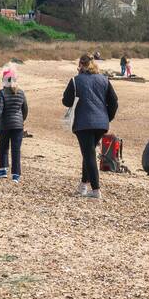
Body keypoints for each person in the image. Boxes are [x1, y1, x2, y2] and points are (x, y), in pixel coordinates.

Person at [62, 54, 118, 199]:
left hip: (83, 123)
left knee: (89, 155)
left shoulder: (75, 80)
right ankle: (83, 186)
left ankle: (96, 189)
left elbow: (66, 101)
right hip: (101, 123)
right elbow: (114, 101)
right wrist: (107, 117)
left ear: (80, 64)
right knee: (89, 154)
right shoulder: (104, 79)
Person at [0, 69, 29, 181]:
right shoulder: (21, 92)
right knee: (16, 150)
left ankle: (3, 170)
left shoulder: (2, 93)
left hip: (5, 125)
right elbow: (25, 109)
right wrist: (21, 120)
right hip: (18, 126)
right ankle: (16, 175)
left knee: (3, 147)